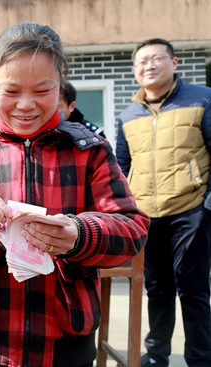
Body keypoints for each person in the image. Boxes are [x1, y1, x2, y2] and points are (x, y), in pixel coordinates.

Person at [0, 22, 150, 367]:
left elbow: (132, 229)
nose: (25, 105)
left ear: (60, 84)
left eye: (42, 90)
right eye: (11, 90)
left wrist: (80, 235)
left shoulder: (89, 151)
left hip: (66, 344)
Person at [116, 38, 211, 367]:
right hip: (146, 215)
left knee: (193, 288)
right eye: (141, 62)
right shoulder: (128, 114)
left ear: (174, 63)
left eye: (157, 59)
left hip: (191, 210)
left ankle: (201, 358)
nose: (149, 66)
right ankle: (156, 356)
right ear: (135, 71)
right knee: (156, 290)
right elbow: (122, 167)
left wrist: (208, 205)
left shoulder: (203, 99)